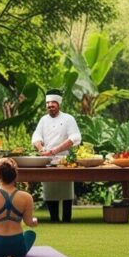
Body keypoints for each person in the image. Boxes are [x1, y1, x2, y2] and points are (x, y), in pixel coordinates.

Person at [32, 89, 81, 222]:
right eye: (48, 103)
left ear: (59, 104)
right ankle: (53, 218)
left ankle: (66, 219)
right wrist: (41, 148)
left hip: (64, 160)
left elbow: (75, 138)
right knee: (50, 190)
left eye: (53, 103)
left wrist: (54, 150)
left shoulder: (68, 119)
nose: (50, 106)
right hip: (47, 160)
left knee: (66, 191)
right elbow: (36, 136)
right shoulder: (43, 120)